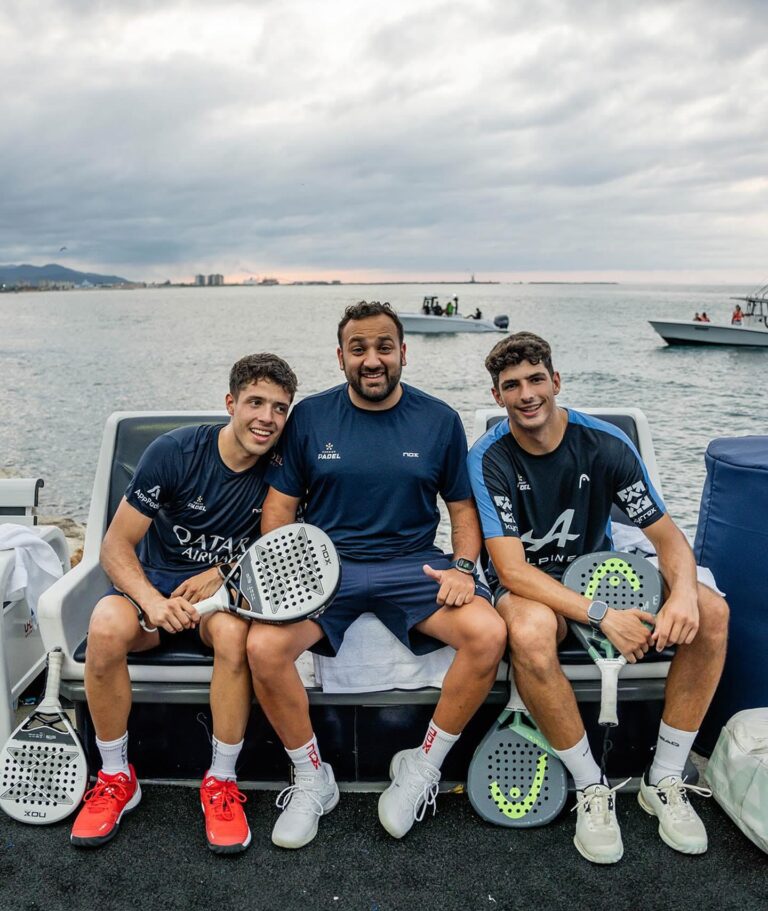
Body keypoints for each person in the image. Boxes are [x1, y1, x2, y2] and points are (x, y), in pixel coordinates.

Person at [246, 300, 507, 849]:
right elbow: (279, 509)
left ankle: (423, 765)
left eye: (384, 346)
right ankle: (312, 776)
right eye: (358, 348)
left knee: (488, 634)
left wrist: (463, 567)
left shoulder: (438, 420)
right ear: (340, 357)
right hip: (326, 570)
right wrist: (283, 572)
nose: (372, 359)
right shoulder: (310, 419)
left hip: (412, 564)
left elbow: (463, 511)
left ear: (403, 353)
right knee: (265, 648)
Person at [468, 331, 728, 865]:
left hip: (599, 572)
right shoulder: (488, 457)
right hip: (532, 586)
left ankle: (664, 779)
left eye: (536, 379)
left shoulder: (605, 443)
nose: (526, 394)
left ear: (555, 381)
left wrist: (681, 594)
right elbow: (512, 570)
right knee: (530, 631)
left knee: (713, 612)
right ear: (498, 397)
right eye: (511, 385)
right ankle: (591, 786)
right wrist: (603, 616)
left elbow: (666, 535)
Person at [70, 354, 298, 853]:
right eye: (255, 402)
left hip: (220, 601)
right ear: (230, 403)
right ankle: (114, 776)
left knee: (236, 635)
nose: (266, 418)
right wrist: (150, 602)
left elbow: (284, 551)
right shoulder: (175, 451)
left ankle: (220, 781)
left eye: (279, 409)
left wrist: (221, 573)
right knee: (105, 623)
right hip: (154, 595)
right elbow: (114, 546)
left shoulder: (283, 471)